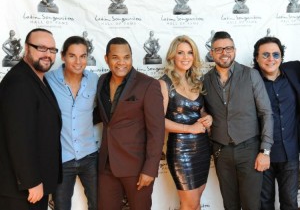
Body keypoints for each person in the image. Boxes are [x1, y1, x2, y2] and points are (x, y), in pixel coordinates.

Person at [202, 31, 274, 210]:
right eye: (218, 49)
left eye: (228, 48)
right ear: (212, 53)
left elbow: (266, 113)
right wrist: (205, 116)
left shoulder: (250, 75)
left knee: (251, 205)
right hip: (221, 151)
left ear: (234, 50)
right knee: (230, 205)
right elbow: (202, 110)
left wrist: (265, 151)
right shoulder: (205, 80)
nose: (224, 53)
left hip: (249, 150)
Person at [94, 37, 165, 210]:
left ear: (132, 58)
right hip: (106, 166)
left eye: (126, 57)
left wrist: (150, 169)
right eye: (115, 57)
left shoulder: (148, 85)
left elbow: (156, 130)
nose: (121, 63)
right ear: (106, 59)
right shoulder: (101, 81)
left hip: (137, 167)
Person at [0, 28, 62, 210]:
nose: (48, 54)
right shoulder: (19, 83)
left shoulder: (36, 78)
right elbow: (18, 136)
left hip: (32, 186)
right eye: (41, 48)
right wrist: (31, 181)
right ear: (27, 49)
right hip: (21, 190)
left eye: (52, 50)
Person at [159, 35, 212, 210]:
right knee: (189, 204)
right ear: (172, 56)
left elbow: (201, 112)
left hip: (202, 149)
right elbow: (158, 121)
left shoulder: (196, 81)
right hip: (181, 151)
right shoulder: (164, 83)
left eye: (189, 53)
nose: (185, 57)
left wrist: (208, 118)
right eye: (180, 52)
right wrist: (189, 129)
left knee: (195, 203)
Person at [46, 36, 99, 210]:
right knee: (61, 207)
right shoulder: (48, 80)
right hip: (62, 158)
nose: (78, 62)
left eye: (83, 56)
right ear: (62, 56)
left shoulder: (95, 81)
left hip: (89, 155)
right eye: (72, 56)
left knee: (99, 204)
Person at [253, 36, 300, 210]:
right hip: (261, 155)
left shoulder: (294, 71)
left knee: (290, 203)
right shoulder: (250, 81)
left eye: (275, 54)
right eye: (265, 55)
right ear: (257, 58)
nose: (271, 59)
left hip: (291, 154)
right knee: (264, 204)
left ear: (281, 57)